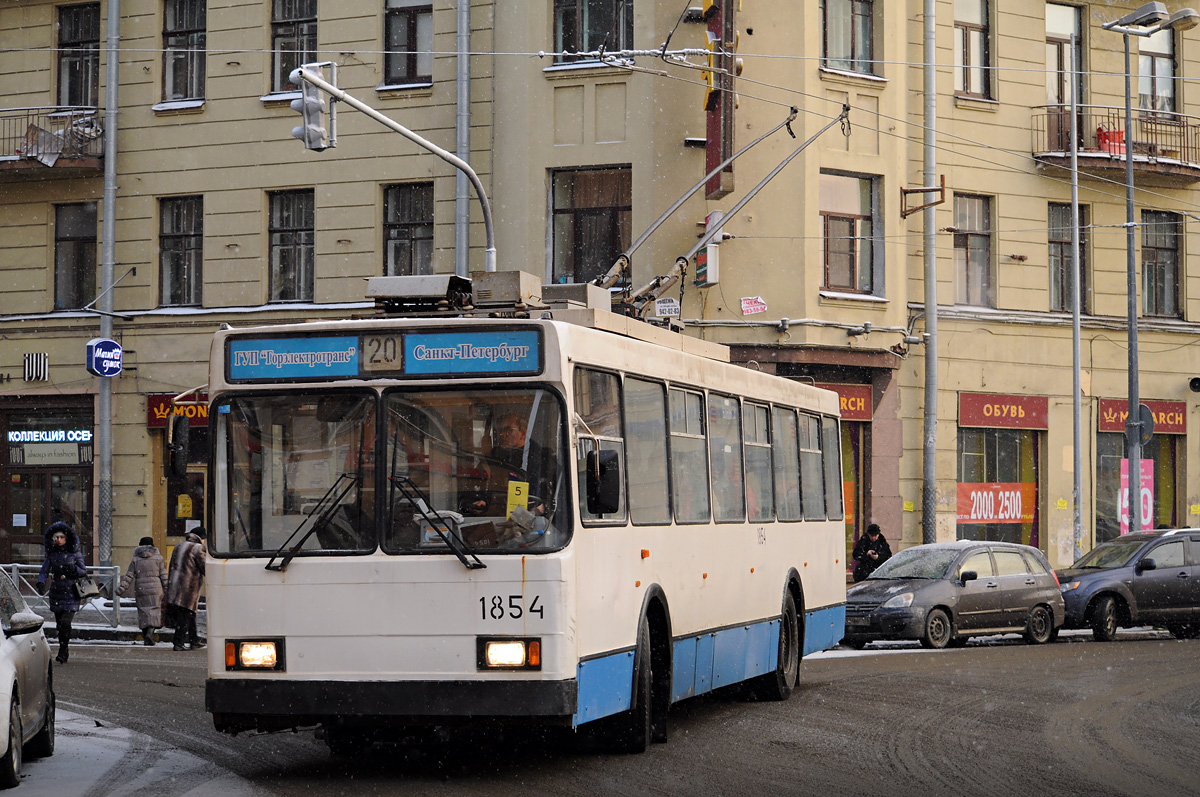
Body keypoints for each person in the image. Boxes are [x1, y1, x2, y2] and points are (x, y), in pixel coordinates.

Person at [35, 521, 88, 664]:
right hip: (57, 592)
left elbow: (83, 571)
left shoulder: (74, 553)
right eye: (56, 537)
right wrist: (41, 582)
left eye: (61, 537)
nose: (59, 540)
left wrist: (73, 569)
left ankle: (63, 650)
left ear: (66, 538)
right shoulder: (52, 554)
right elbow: (44, 570)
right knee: (59, 624)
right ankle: (64, 647)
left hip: (71, 592)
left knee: (65, 623)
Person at [118, 536, 168, 646]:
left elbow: (129, 576)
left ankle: (146, 635)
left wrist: (121, 588)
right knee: (155, 611)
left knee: (143, 612)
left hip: (141, 589)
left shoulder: (136, 559)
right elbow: (164, 575)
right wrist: (167, 588)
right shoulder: (158, 558)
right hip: (156, 589)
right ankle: (150, 631)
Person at [165, 529, 206, 651]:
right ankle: (178, 642)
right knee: (186, 613)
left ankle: (194, 640)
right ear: (200, 537)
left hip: (175, 583)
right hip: (188, 585)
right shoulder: (198, 548)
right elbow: (205, 567)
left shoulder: (179, 545)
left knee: (189, 612)